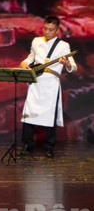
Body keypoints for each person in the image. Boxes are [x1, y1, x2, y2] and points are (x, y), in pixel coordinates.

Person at [19, 16, 77, 158]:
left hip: (51, 83)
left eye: (51, 30)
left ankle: (49, 147)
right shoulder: (36, 41)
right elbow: (30, 58)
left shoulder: (63, 46)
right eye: (45, 28)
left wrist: (67, 64)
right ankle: (27, 146)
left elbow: (73, 66)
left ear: (57, 30)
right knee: (29, 114)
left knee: (50, 116)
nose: (47, 32)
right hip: (35, 81)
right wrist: (23, 63)